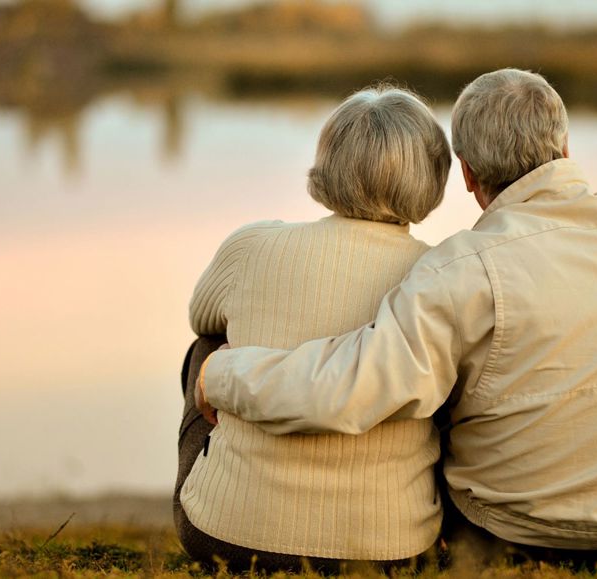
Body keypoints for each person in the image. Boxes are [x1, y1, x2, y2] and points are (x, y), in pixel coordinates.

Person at [198, 69, 597, 567]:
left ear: (465, 173)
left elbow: (352, 387)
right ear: (566, 148)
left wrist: (220, 372)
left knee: (440, 372)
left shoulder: (461, 269)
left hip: (509, 534)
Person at [174, 85, 452, 573]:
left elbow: (201, 316)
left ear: (327, 163)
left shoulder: (252, 246)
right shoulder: (441, 274)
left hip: (227, 536)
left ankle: (232, 486)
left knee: (208, 348)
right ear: (434, 175)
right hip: (392, 547)